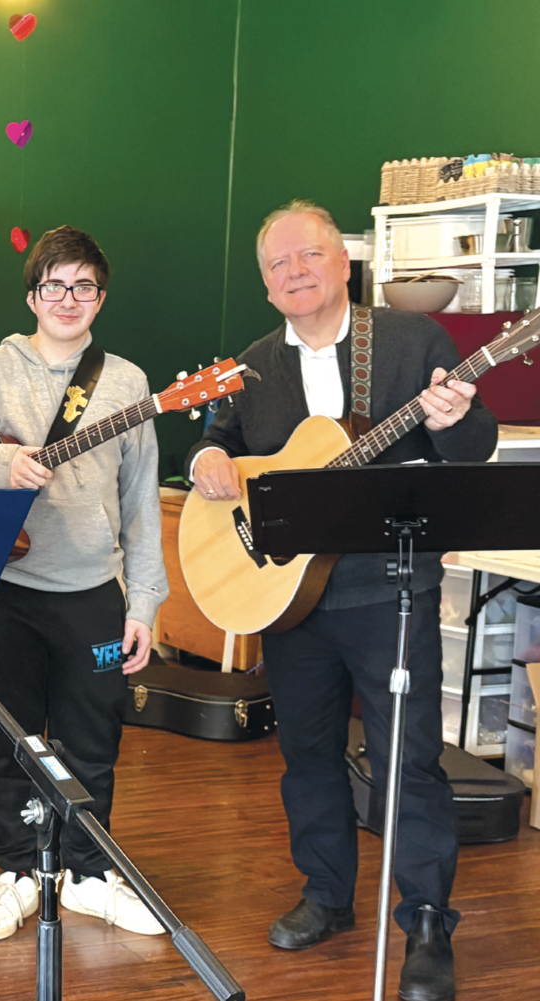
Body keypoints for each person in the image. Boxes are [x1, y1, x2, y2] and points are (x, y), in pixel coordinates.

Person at [189, 200, 496, 1001]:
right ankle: (327, 894)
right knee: (308, 755)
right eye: (277, 265)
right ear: (264, 287)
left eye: (308, 256)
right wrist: (210, 450)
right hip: (292, 601)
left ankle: (426, 919)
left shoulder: (409, 342)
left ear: (344, 263)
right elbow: (218, 430)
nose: (293, 271)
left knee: (410, 760)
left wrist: (458, 419)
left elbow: (475, 448)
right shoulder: (255, 363)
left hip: (390, 589)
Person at [0, 225, 168, 941]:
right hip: (4, 593)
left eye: (83, 286)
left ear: (100, 298)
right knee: (9, 737)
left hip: (93, 593)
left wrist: (144, 601)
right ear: (32, 294)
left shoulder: (130, 383)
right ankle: (15, 869)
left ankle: (87, 870)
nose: (67, 298)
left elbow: (141, 504)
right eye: (54, 284)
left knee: (92, 738)